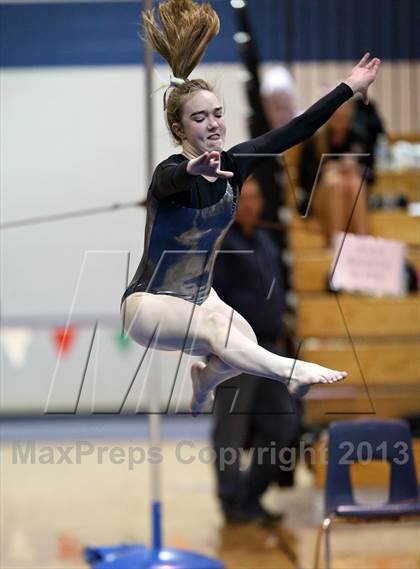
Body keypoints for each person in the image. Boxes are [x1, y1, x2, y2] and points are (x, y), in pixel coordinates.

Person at [119, 0, 380, 413]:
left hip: (200, 297)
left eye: (217, 114)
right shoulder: (169, 174)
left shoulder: (235, 165)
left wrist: (348, 87)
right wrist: (192, 167)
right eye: (200, 118)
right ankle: (290, 369)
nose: (213, 124)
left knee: (243, 340)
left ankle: (205, 379)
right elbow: (172, 180)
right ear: (178, 128)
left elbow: (296, 129)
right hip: (149, 304)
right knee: (216, 331)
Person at [211, 176, 302, 525]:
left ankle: (251, 496)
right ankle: (231, 501)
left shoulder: (265, 240)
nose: (249, 205)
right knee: (230, 431)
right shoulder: (221, 245)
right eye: (242, 199)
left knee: (283, 425)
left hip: (271, 349)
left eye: (254, 198)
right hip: (236, 352)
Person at [298, 97, 375, 243]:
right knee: (336, 182)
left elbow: (371, 176)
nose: (340, 118)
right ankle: (337, 241)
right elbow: (305, 182)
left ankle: (363, 239)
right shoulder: (314, 140)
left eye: (344, 115)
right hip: (321, 196)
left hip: (352, 193)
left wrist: (356, 167)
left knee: (354, 181)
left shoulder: (360, 138)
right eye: (336, 115)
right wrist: (327, 170)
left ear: (351, 113)